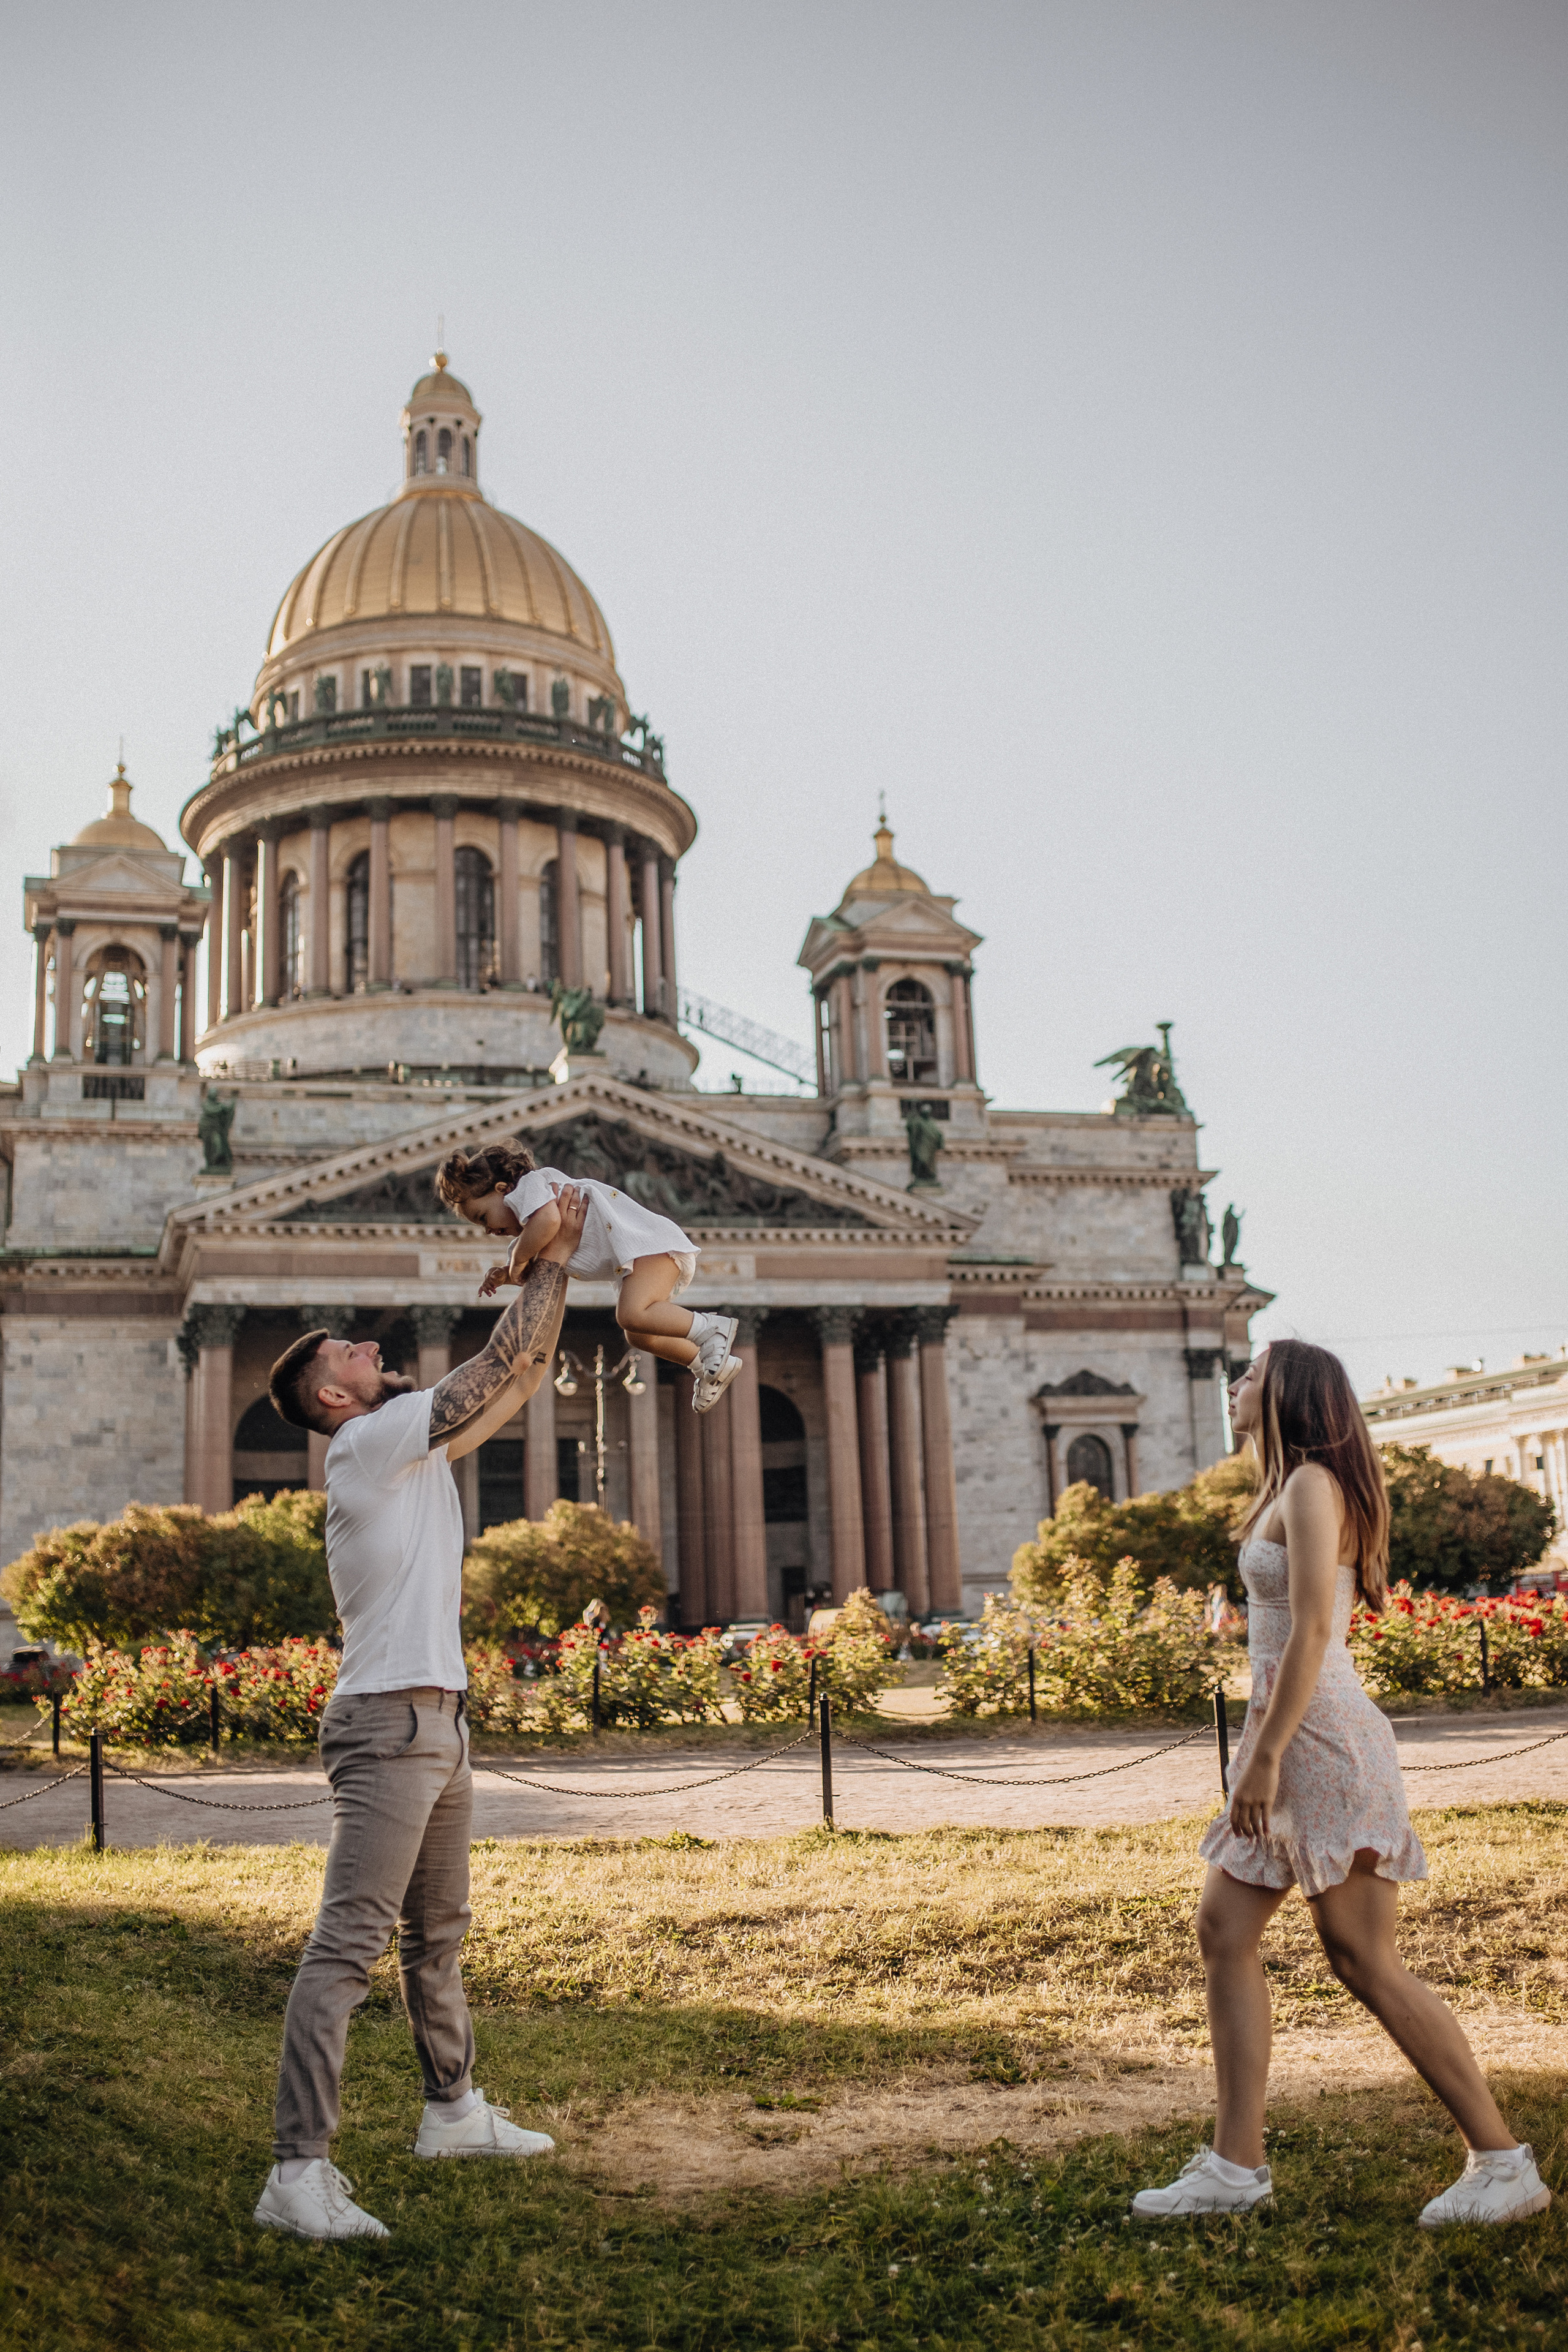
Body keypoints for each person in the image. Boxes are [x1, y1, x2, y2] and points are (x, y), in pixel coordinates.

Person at [1133, 1338, 1549, 2230]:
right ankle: (1235, 2167)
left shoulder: (1312, 1485)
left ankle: (1502, 2161)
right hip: (1286, 1734)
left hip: (1319, 1741)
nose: (1234, 1385)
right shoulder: (1286, 1487)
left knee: (1361, 1957)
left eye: (1250, 1373)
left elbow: (1315, 1631)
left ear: (1287, 1391)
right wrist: (1261, 1750)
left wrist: (1264, 1756)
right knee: (1222, 1930)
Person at [251, 1186, 588, 2244]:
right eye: (345, 1352)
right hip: (390, 1725)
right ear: (334, 1399)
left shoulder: (406, 1446)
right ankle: (296, 2173)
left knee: (437, 1936)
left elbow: (518, 1374)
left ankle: (452, 2113)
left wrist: (552, 1257)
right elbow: (495, 1365)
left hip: (437, 1721)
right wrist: (549, 1251)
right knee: (346, 1948)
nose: (367, 1345)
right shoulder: (367, 1444)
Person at [434, 1139, 742, 1414]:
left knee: (631, 1314)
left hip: (649, 1246)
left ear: (503, 1190)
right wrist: (505, 1275)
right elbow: (531, 1273)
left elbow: (549, 1222)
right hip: (637, 1258)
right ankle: (706, 1365)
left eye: (484, 1217)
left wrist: (516, 1261)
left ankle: (712, 1329)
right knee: (637, 1334)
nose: (488, 1230)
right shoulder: (528, 1234)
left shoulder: (530, 1187)